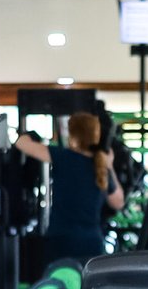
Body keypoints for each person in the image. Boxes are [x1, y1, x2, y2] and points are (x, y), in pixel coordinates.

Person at [14, 112, 124, 270]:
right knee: (87, 285)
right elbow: (118, 202)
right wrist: (110, 166)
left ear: (73, 134)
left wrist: (29, 134)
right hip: (91, 243)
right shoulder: (100, 165)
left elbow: (21, 143)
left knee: (60, 284)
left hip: (61, 242)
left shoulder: (63, 157)